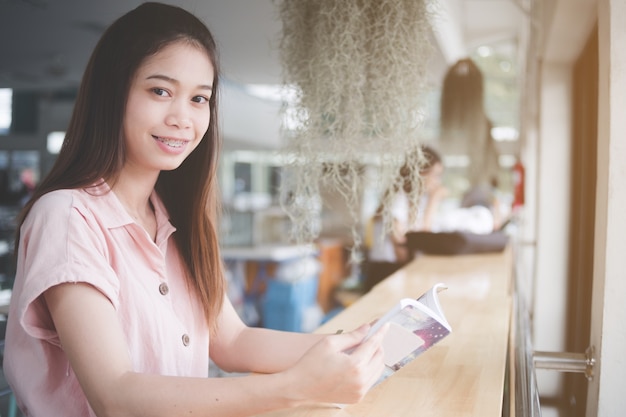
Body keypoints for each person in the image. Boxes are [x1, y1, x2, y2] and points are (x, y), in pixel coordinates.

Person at [3, 3, 387, 416]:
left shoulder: (175, 218)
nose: (182, 118)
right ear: (112, 93)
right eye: (160, 91)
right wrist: (292, 388)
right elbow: (115, 398)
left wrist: (359, 344)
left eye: (199, 98)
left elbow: (233, 342)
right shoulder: (66, 217)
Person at [363, 145, 446, 291]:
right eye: (435, 175)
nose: (437, 182)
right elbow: (403, 249)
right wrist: (434, 201)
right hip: (385, 273)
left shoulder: (414, 201)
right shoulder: (397, 199)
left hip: (396, 272)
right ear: (420, 172)